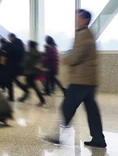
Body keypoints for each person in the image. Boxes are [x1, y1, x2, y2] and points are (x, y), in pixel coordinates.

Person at [45, 9, 106, 148]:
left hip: (81, 80)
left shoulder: (83, 34)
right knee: (92, 111)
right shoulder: (88, 34)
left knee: (67, 107)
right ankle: (98, 139)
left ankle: (56, 135)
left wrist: (65, 59)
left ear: (85, 20)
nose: (76, 21)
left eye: (78, 18)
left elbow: (76, 56)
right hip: (89, 80)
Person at [18, 41, 46, 106]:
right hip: (35, 72)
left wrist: (21, 65)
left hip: (29, 72)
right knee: (31, 86)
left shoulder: (29, 53)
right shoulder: (38, 53)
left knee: (32, 86)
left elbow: (26, 62)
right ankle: (24, 97)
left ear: (30, 46)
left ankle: (42, 100)